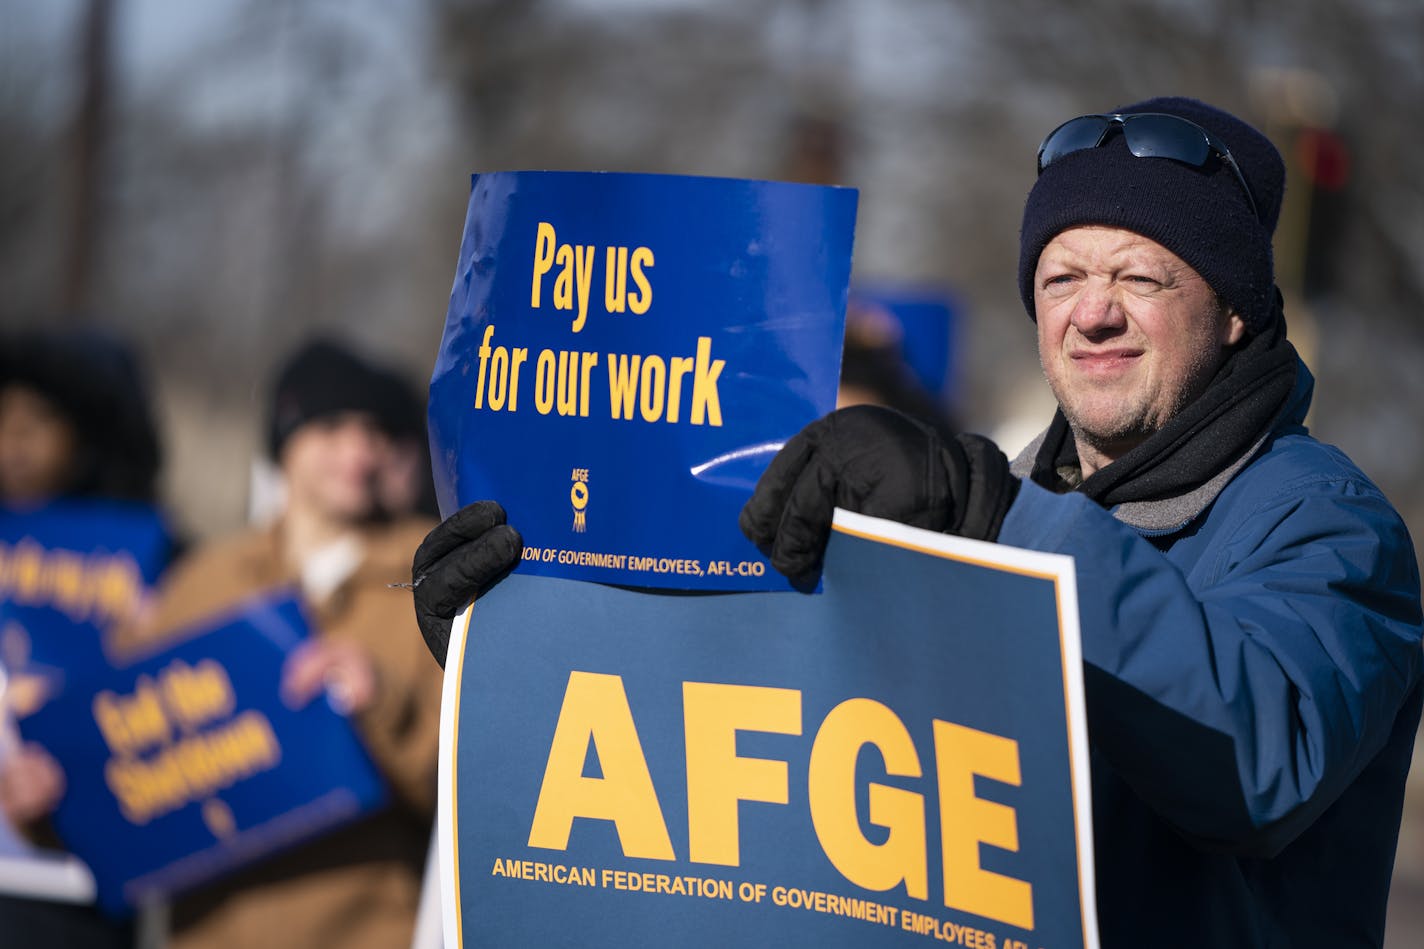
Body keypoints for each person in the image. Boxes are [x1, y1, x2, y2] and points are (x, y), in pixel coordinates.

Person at [408, 98, 1424, 948]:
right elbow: (761, 752)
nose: (1092, 312)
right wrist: (517, 651)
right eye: (1062, 277)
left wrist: (992, 525)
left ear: (1237, 309)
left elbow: (1259, 755)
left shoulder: (1325, 526)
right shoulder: (1015, 505)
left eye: (1140, 277)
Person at [18, 338, 442, 948]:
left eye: (376, 431)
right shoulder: (202, 580)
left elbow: (470, 788)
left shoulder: (435, 583)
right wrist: (47, 805)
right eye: (329, 427)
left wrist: (381, 703)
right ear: (284, 441)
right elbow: (127, 757)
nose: (358, 451)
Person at [1, 328, 174, 949]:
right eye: (4, 417)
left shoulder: (162, 559)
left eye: (39, 419)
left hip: (77, 886)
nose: (13, 440)